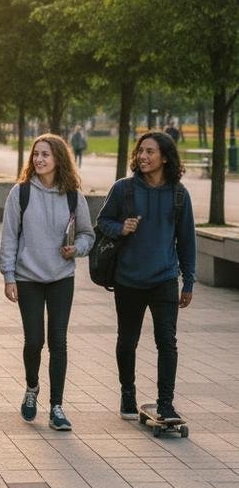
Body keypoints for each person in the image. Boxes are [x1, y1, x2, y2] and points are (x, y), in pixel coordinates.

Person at [97, 131, 196, 423]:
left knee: (167, 342)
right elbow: (102, 222)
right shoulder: (124, 189)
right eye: (140, 151)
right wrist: (121, 228)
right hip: (128, 279)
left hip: (164, 278)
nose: (143, 156)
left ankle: (166, 403)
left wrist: (188, 281)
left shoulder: (179, 194)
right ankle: (128, 392)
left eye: (150, 152)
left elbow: (187, 241)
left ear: (165, 157)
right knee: (128, 341)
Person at [0, 134, 95, 431]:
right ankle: (31, 388)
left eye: (46, 154)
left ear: (59, 159)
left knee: (58, 341)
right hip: (28, 277)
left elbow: (87, 235)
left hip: (61, 277)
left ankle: (56, 406)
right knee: (34, 341)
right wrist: (8, 275)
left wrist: (75, 249)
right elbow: (10, 236)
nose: (39, 159)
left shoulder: (73, 196)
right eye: (36, 154)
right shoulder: (21, 193)